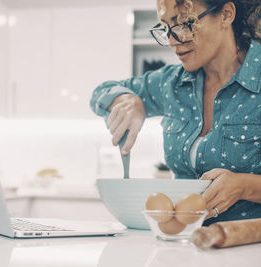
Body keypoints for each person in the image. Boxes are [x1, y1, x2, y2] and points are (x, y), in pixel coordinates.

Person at [90, 0, 261, 225]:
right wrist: (128, 99)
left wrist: (245, 186)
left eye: (184, 23)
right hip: (183, 248)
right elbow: (100, 93)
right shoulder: (171, 83)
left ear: (226, 15)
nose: (172, 40)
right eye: (166, 27)